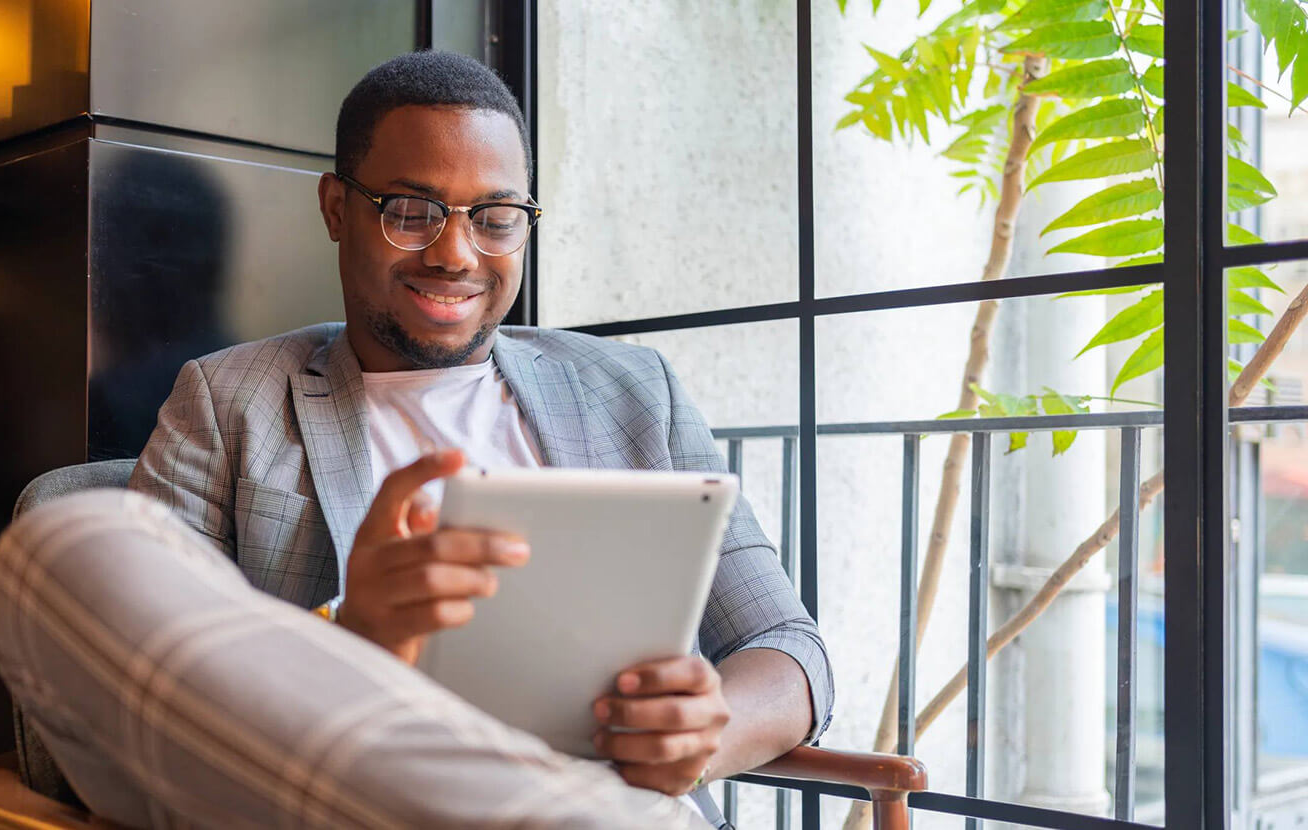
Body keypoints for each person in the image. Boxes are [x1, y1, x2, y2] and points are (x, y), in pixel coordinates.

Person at [119, 49, 830, 826]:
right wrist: (348, 637)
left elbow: (788, 647)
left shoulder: (634, 391)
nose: (456, 255)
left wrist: (707, 733)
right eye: (411, 211)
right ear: (335, 208)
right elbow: (135, 689)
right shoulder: (228, 403)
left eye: (495, 219)